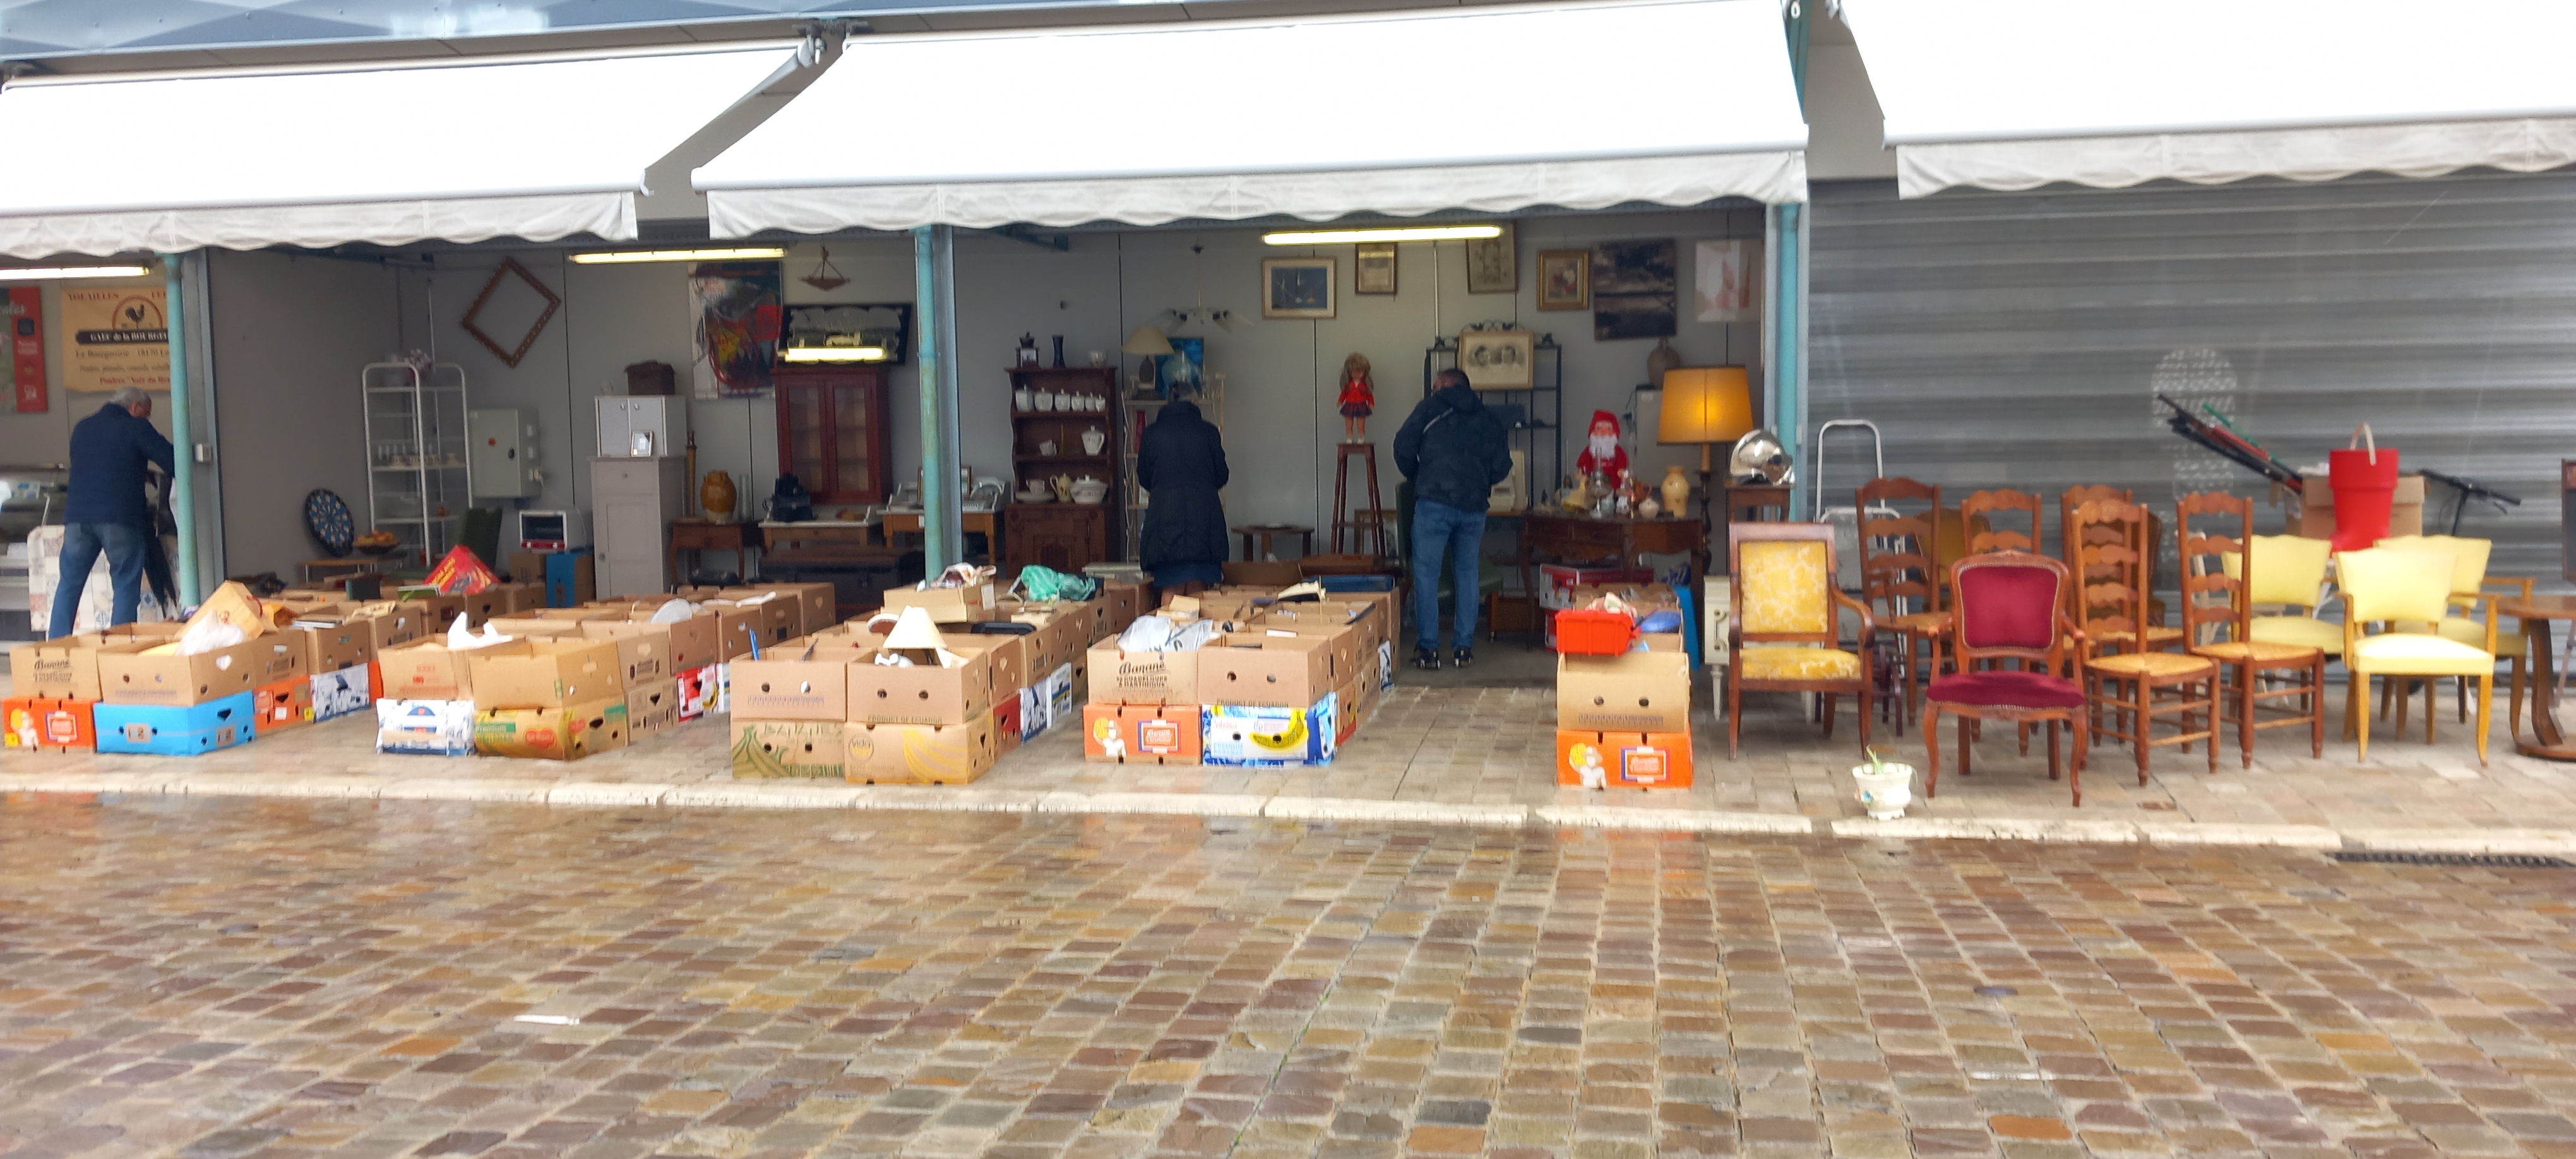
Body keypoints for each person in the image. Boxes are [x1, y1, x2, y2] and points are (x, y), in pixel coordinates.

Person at [1393, 367, 1511, 670]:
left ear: (1446, 384)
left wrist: (1421, 477)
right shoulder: (1488, 417)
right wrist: (1479, 482)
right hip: (1473, 507)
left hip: (1434, 503)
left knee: (1426, 574)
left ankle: (1428, 651)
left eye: (1436, 387)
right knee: (1468, 572)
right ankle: (1463, 649)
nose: (1434, 392)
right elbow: (1502, 465)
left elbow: (1402, 447)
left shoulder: (1430, 409)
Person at [51, 386, 174, 637]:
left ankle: (55, 646)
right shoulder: (136, 427)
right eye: (147, 413)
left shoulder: (82, 427)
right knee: (125, 583)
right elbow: (173, 460)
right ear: (135, 407)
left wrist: (136, 470)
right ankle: (118, 646)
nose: (147, 418)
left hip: (78, 519)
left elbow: (97, 465)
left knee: (69, 584)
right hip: (119, 519)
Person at [1135, 383, 1229, 595]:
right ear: (1194, 402)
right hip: (1204, 524)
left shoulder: (1152, 434)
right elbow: (1222, 475)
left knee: (1169, 587)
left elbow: (1144, 477)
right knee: (1200, 591)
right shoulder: (1209, 432)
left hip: (1164, 523)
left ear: (1168, 402)